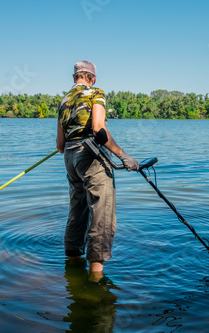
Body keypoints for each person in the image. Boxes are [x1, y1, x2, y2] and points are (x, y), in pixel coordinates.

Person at [57, 60, 139, 281]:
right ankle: (96, 276)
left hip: (70, 157)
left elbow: (59, 145)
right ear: (91, 78)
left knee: (77, 210)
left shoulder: (64, 102)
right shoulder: (96, 93)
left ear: (75, 78)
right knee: (101, 213)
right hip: (89, 155)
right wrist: (123, 155)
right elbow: (98, 128)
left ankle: (73, 264)